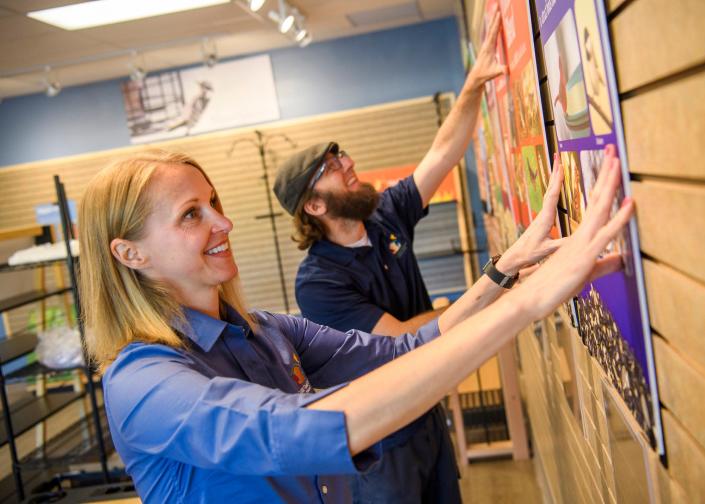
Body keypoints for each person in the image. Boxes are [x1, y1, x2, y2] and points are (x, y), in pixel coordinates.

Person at [77, 143, 631, 503]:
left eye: (213, 203)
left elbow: (405, 349)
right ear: (131, 254)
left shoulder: (266, 330)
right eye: (191, 214)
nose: (223, 222)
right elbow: (289, 430)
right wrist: (528, 304)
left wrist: (505, 273)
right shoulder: (142, 382)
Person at [273, 11, 535, 502]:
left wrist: (474, 84)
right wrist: (500, 285)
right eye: (331, 167)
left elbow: (441, 154)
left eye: (341, 154)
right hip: (381, 438)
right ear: (313, 206)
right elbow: (404, 340)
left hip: (425, 409)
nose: (348, 163)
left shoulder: (383, 216)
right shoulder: (318, 282)